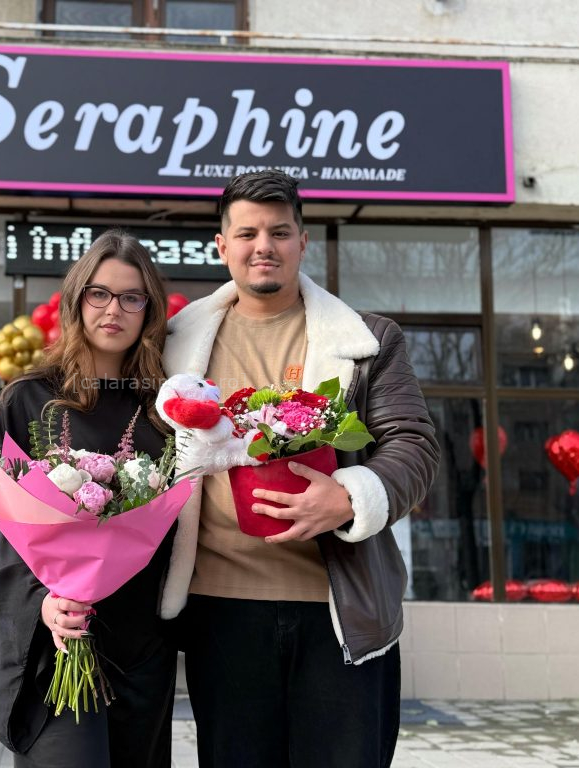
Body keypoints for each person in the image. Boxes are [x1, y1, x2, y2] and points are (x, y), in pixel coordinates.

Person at [161, 170, 440, 768]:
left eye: (280, 232)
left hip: (338, 608)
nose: (264, 246)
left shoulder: (368, 340)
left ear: (302, 242)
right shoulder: (174, 343)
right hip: (219, 608)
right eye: (247, 233)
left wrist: (351, 497)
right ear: (222, 246)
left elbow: (414, 445)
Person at [0, 230, 177, 768]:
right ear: (77, 300)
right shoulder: (28, 401)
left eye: (132, 297)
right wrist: (42, 603)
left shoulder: (163, 411)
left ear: (149, 310)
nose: (114, 309)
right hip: (56, 642)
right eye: (99, 293)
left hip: (140, 646)